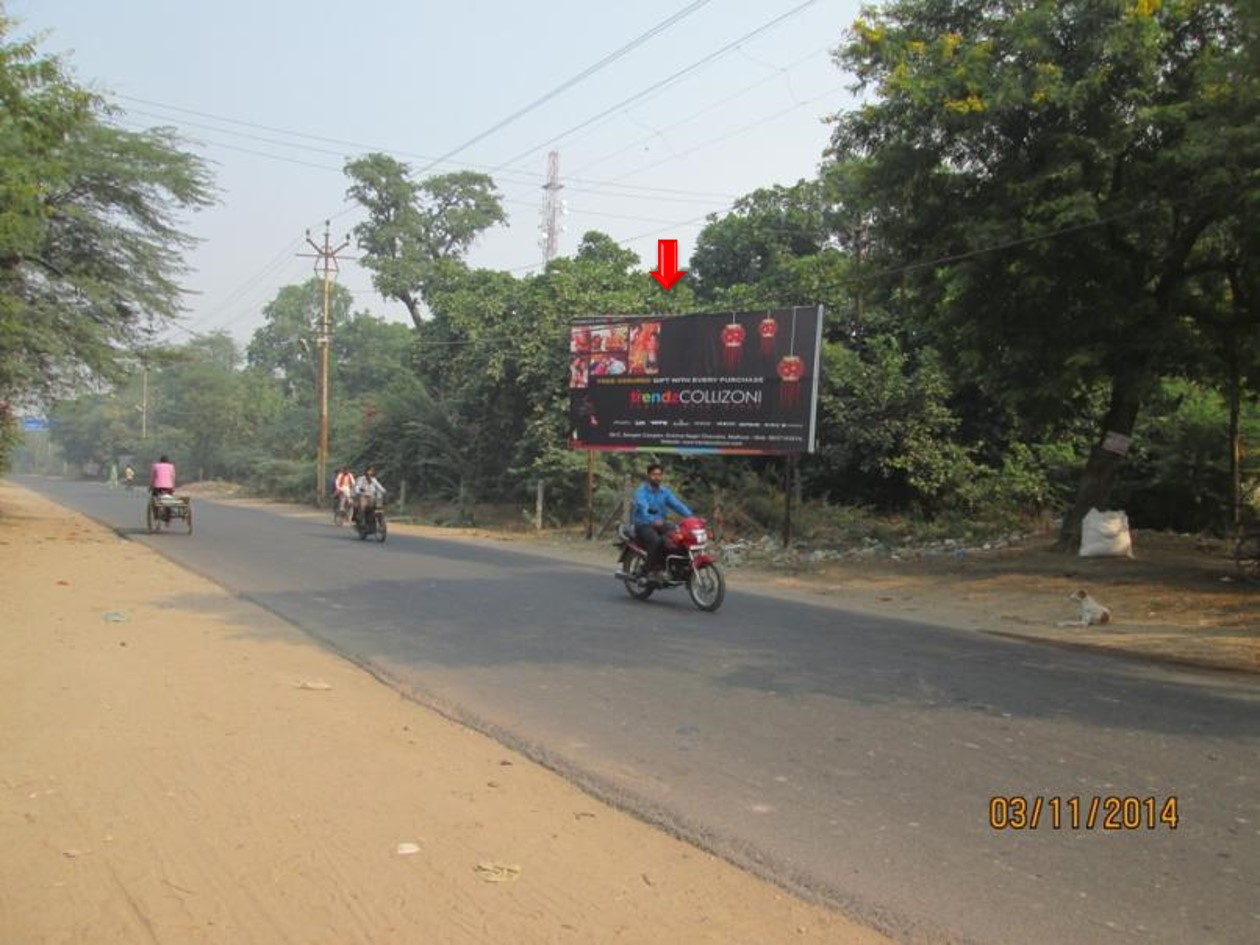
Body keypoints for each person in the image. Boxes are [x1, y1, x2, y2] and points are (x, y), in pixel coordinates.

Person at [631, 462, 693, 583]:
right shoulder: (641, 491)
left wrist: (691, 517)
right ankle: (645, 571)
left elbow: (677, 505)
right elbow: (643, 506)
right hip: (643, 524)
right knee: (656, 541)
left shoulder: (665, 492)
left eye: (659, 474)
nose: (657, 477)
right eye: (654, 474)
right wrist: (651, 518)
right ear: (648, 475)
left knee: (678, 539)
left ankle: (673, 567)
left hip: (660, 524)